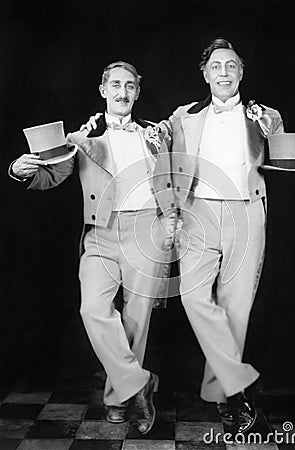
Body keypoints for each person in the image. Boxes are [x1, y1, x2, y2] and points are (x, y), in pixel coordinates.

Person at [83, 38, 295, 434]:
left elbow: (289, 154)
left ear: (241, 73)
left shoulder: (263, 116)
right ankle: (241, 382)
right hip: (197, 215)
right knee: (193, 296)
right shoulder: (184, 117)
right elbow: (151, 135)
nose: (224, 73)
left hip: (247, 214)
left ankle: (228, 396)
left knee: (236, 309)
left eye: (231, 66)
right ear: (205, 74)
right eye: (216, 66)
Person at [9, 61, 176, 434]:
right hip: (100, 234)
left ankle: (119, 399)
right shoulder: (82, 138)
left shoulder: (155, 135)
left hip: (147, 230)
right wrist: (22, 169)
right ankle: (140, 382)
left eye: (129, 86)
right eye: (115, 85)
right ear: (103, 90)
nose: (122, 92)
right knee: (94, 309)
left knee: (136, 319)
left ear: (137, 92)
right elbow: (52, 174)